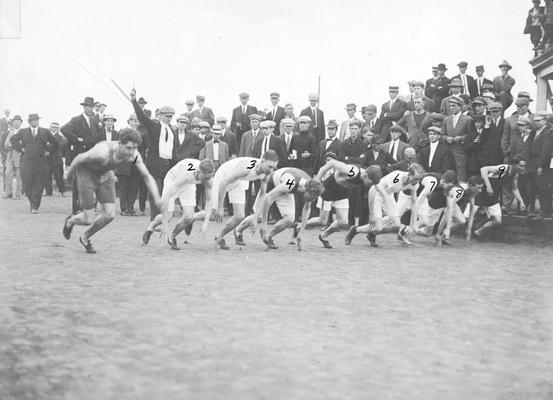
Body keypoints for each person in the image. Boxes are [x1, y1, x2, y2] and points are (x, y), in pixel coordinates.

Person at [62, 128, 161, 254]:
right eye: (128, 148)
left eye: (134, 148)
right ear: (119, 143)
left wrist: (157, 198)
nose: (131, 152)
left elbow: (146, 175)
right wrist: (68, 176)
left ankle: (85, 237)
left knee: (109, 215)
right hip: (87, 175)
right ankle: (70, 221)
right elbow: (79, 158)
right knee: (87, 219)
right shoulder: (102, 151)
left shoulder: (134, 156)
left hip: (105, 176)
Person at [234, 168, 324, 250]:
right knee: (259, 216)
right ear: (306, 189)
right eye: (313, 197)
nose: (314, 200)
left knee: (289, 219)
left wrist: (300, 234)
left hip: (285, 189)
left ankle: (268, 237)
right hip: (270, 185)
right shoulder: (290, 183)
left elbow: (307, 208)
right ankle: (238, 230)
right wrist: (264, 223)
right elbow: (268, 198)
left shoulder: (311, 185)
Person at [142, 158, 215, 250]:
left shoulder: (208, 179)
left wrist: (206, 222)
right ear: (198, 171)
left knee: (188, 217)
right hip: (173, 180)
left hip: (188, 185)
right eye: (205, 178)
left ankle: (171, 237)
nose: (207, 180)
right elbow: (166, 197)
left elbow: (209, 200)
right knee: (168, 216)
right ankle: (150, 228)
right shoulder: (185, 173)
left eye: (209, 177)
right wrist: (164, 224)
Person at [212, 151, 280, 250]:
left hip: (239, 180)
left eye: (274, 167)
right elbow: (223, 183)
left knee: (240, 215)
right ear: (262, 161)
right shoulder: (246, 168)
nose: (271, 170)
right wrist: (220, 207)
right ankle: (190, 218)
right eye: (270, 167)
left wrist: (256, 217)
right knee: (213, 213)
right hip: (224, 176)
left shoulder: (267, 172)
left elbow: (262, 195)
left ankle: (219, 237)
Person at [345, 163, 424, 247]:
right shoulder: (397, 177)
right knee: (379, 227)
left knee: (396, 224)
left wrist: (413, 225)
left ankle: (372, 233)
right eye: (416, 178)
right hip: (377, 194)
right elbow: (373, 190)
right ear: (409, 174)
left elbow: (414, 203)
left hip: (388, 195)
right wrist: (371, 213)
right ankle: (355, 230)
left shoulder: (415, 185)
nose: (417, 181)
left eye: (419, 179)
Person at [315, 155, 383, 248]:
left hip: (341, 193)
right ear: (366, 176)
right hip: (327, 189)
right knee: (322, 221)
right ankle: (299, 226)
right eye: (370, 183)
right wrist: (317, 181)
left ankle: (323, 236)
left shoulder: (365, 178)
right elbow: (331, 163)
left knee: (343, 221)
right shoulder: (353, 172)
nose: (369, 185)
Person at [130, 89, 175, 220]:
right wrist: (134, 100)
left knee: (165, 192)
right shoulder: (154, 126)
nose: (168, 118)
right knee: (156, 191)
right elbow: (141, 117)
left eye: (171, 116)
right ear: (160, 115)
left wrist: (175, 166)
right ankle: (154, 220)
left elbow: (174, 150)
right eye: (166, 116)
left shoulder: (172, 131)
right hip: (155, 164)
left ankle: (160, 218)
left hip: (167, 164)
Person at [61, 96, 105, 214]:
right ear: (84, 107)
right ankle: (76, 209)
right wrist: (77, 139)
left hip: (91, 156)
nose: (90, 109)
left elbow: (98, 137)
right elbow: (64, 129)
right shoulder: (76, 120)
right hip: (80, 155)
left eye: (91, 107)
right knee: (79, 182)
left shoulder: (95, 121)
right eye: (87, 107)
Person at [10, 114, 59, 213]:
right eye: (33, 120)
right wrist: (21, 148)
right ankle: (32, 201)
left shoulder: (45, 132)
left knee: (39, 184)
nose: (35, 122)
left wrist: (49, 151)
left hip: (41, 162)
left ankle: (34, 206)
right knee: (27, 184)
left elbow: (56, 143)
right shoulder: (23, 132)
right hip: (27, 162)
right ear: (29, 122)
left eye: (37, 120)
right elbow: (13, 140)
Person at [473, 157, 527, 237]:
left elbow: (514, 189)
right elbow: (483, 169)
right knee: (469, 215)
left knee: (497, 222)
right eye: (521, 166)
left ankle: (478, 232)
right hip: (483, 191)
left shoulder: (515, 175)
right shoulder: (504, 168)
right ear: (514, 164)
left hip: (494, 195)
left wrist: (521, 201)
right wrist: (488, 187)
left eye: (524, 166)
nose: (523, 168)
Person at [44, 122, 68, 197]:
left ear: (58, 129)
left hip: (56, 160)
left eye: (56, 127)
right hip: (47, 160)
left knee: (58, 177)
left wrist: (48, 150)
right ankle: (48, 192)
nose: (54, 129)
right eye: (53, 127)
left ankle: (63, 191)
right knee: (47, 176)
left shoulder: (61, 138)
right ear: (50, 127)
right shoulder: (45, 136)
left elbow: (58, 146)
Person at [2, 116, 22, 199]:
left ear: (20, 123)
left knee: (19, 176)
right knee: (7, 173)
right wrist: (10, 139)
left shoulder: (23, 132)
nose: (16, 124)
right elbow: (6, 146)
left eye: (18, 122)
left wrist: (14, 145)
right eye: (15, 122)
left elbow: (22, 145)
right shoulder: (9, 133)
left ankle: (17, 195)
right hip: (10, 156)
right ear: (12, 123)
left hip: (19, 156)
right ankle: (8, 192)